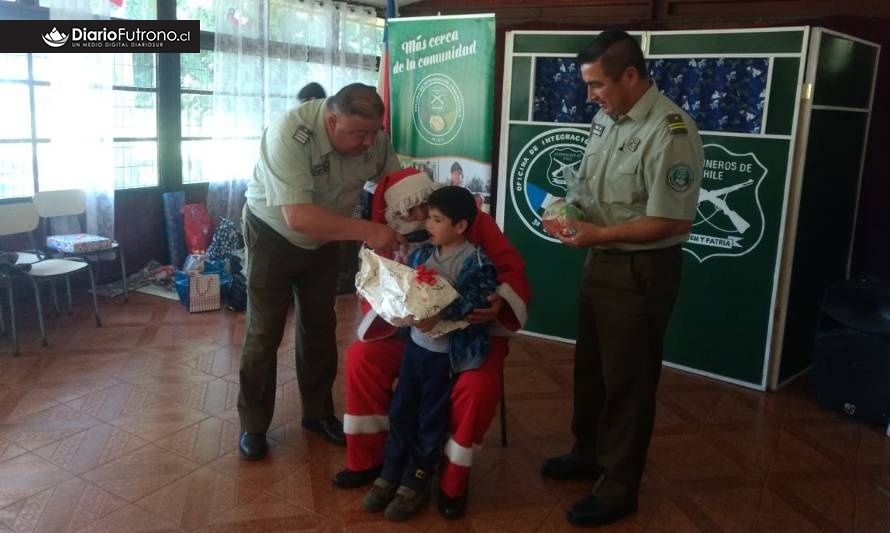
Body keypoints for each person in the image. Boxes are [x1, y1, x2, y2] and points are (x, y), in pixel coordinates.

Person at [540, 29, 703, 527]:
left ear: (630, 75)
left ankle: (617, 490)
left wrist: (596, 233)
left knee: (628, 383)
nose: (590, 96)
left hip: (641, 268)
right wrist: (568, 207)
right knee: (590, 369)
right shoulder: (606, 120)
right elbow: (589, 189)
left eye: (597, 86)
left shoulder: (670, 131)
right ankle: (587, 453)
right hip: (601, 259)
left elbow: (674, 221)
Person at [333, 168, 531, 520]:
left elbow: (510, 270)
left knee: (478, 387)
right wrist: (396, 310)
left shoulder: (467, 223)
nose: (422, 217)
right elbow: (376, 292)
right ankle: (371, 461)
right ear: (395, 215)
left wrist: (497, 301)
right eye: (411, 212)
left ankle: (452, 480)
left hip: (466, 337)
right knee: (362, 358)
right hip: (406, 335)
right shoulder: (387, 238)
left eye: (427, 207)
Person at [238, 83, 405, 460]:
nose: (368, 144)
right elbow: (297, 217)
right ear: (332, 120)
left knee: (319, 326)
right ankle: (253, 424)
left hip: (327, 235)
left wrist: (411, 206)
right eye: (359, 134)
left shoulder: (372, 137)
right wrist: (370, 231)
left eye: (373, 133)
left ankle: (317, 414)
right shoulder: (290, 134)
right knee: (265, 331)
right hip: (272, 234)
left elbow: (393, 183)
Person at [361, 186, 498, 521]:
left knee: (429, 418)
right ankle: (391, 472)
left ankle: (418, 479)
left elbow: (477, 299)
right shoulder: (423, 254)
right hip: (416, 350)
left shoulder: (476, 261)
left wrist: (443, 313)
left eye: (437, 220)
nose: (429, 224)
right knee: (402, 409)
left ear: (461, 226)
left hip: (445, 358)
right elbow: (408, 287)